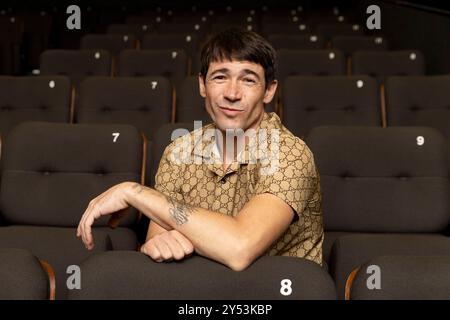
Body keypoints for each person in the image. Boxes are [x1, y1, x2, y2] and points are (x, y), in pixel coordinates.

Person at [77, 28, 324, 271]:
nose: (232, 93)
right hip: (197, 291)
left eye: (248, 80)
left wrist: (134, 192)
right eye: (220, 77)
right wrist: (158, 244)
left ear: (269, 90)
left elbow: (239, 248)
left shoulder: (290, 154)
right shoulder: (179, 150)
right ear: (202, 85)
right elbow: (159, 238)